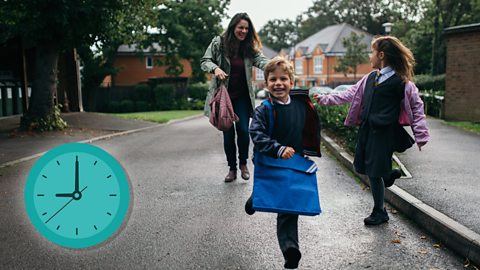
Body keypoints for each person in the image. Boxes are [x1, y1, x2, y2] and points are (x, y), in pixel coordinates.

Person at [314, 36, 430, 226]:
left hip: (385, 132)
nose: (370, 56)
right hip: (367, 130)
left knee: (374, 172)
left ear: (381, 55)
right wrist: (326, 98)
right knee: (364, 166)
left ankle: (379, 211)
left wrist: (421, 134)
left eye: (372, 52)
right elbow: (349, 94)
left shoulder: (402, 83)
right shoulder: (369, 78)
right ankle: (388, 174)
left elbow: (417, 108)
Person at [246, 56, 321, 269]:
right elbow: (256, 133)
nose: (278, 83)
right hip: (270, 161)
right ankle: (256, 198)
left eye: (283, 79)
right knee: (270, 187)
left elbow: (309, 128)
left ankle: (290, 250)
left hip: (293, 164)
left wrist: (307, 152)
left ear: (292, 82)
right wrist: (277, 149)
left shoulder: (300, 106)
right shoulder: (264, 110)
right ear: (266, 83)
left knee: (288, 206)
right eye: (273, 79)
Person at [201, 13, 269, 182]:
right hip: (224, 97)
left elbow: (261, 61)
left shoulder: (249, 47)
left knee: (244, 131)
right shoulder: (219, 43)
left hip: (242, 98)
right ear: (233, 27)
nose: (244, 31)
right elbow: (205, 60)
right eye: (240, 27)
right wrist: (215, 68)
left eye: (246, 28)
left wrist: (276, 65)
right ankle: (232, 169)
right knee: (228, 133)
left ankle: (243, 164)